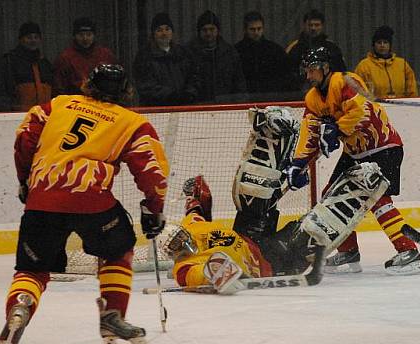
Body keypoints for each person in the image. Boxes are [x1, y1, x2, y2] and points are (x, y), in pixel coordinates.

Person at [0, 64, 169, 344]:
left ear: (89, 84)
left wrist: (25, 180)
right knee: (119, 248)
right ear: (127, 90)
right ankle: (112, 316)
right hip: (92, 201)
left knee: (32, 269)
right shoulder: (132, 122)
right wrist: (153, 209)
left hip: (42, 199)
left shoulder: (58, 104)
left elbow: (25, 137)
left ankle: (21, 306)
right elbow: (153, 171)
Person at [164, 107, 390, 294]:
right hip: (272, 263)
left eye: (181, 238)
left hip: (248, 234)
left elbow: (195, 208)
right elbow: (193, 277)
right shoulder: (183, 268)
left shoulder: (191, 226)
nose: (183, 243)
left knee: (250, 193)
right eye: (177, 247)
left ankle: (273, 134)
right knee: (312, 230)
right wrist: (214, 274)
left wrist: (193, 192)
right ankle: (360, 188)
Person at [284, 47, 420, 275]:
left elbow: (361, 112)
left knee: (378, 197)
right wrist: (298, 163)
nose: (308, 76)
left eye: (312, 70)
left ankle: (408, 251)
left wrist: (336, 129)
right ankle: (348, 251)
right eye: (306, 71)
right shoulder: (312, 98)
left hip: (383, 147)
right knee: (331, 194)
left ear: (326, 68)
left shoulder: (347, 81)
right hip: (356, 153)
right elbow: (310, 132)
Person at [132, 12, 200, 106]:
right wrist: (171, 96)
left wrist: (188, 94)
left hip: (183, 108)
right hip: (156, 110)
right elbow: (145, 85)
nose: (164, 33)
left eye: (167, 29)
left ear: (172, 32)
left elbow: (194, 77)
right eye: (159, 30)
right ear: (153, 34)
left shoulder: (184, 53)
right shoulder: (144, 57)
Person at [187, 10, 247, 102]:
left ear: (218, 30)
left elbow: (239, 81)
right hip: (198, 105)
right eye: (204, 30)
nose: (208, 33)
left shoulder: (229, 52)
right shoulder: (189, 53)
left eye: (211, 29)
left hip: (225, 105)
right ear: (199, 32)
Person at [53, 17, 118, 96]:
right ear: (74, 36)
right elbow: (59, 88)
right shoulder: (65, 58)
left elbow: (116, 81)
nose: (85, 38)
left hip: (102, 103)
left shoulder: (106, 55)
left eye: (89, 35)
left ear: (94, 36)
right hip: (76, 104)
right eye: (81, 35)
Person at [285, 9, 347, 93]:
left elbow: (341, 72)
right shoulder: (295, 48)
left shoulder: (332, 48)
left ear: (322, 26)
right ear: (304, 25)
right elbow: (288, 74)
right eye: (310, 25)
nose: (313, 28)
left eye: (317, 25)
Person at [234, 11, 291, 97]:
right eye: (252, 29)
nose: (256, 32)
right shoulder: (236, 51)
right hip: (245, 98)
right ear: (245, 30)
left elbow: (285, 76)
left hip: (271, 98)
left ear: (263, 29)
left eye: (259, 29)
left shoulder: (275, 50)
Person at [354, 25, 418, 99]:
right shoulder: (364, 66)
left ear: (390, 45)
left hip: (402, 107)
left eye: (385, 42)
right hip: (376, 107)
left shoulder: (403, 64)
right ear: (373, 45)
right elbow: (357, 92)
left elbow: (412, 92)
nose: (382, 45)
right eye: (379, 42)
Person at [4, 21, 55, 111]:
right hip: (19, 113)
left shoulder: (44, 63)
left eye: (36, 37)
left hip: (43, 112)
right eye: (29, 37)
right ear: (21, 39)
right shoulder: (10, 61)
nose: (33, 41)